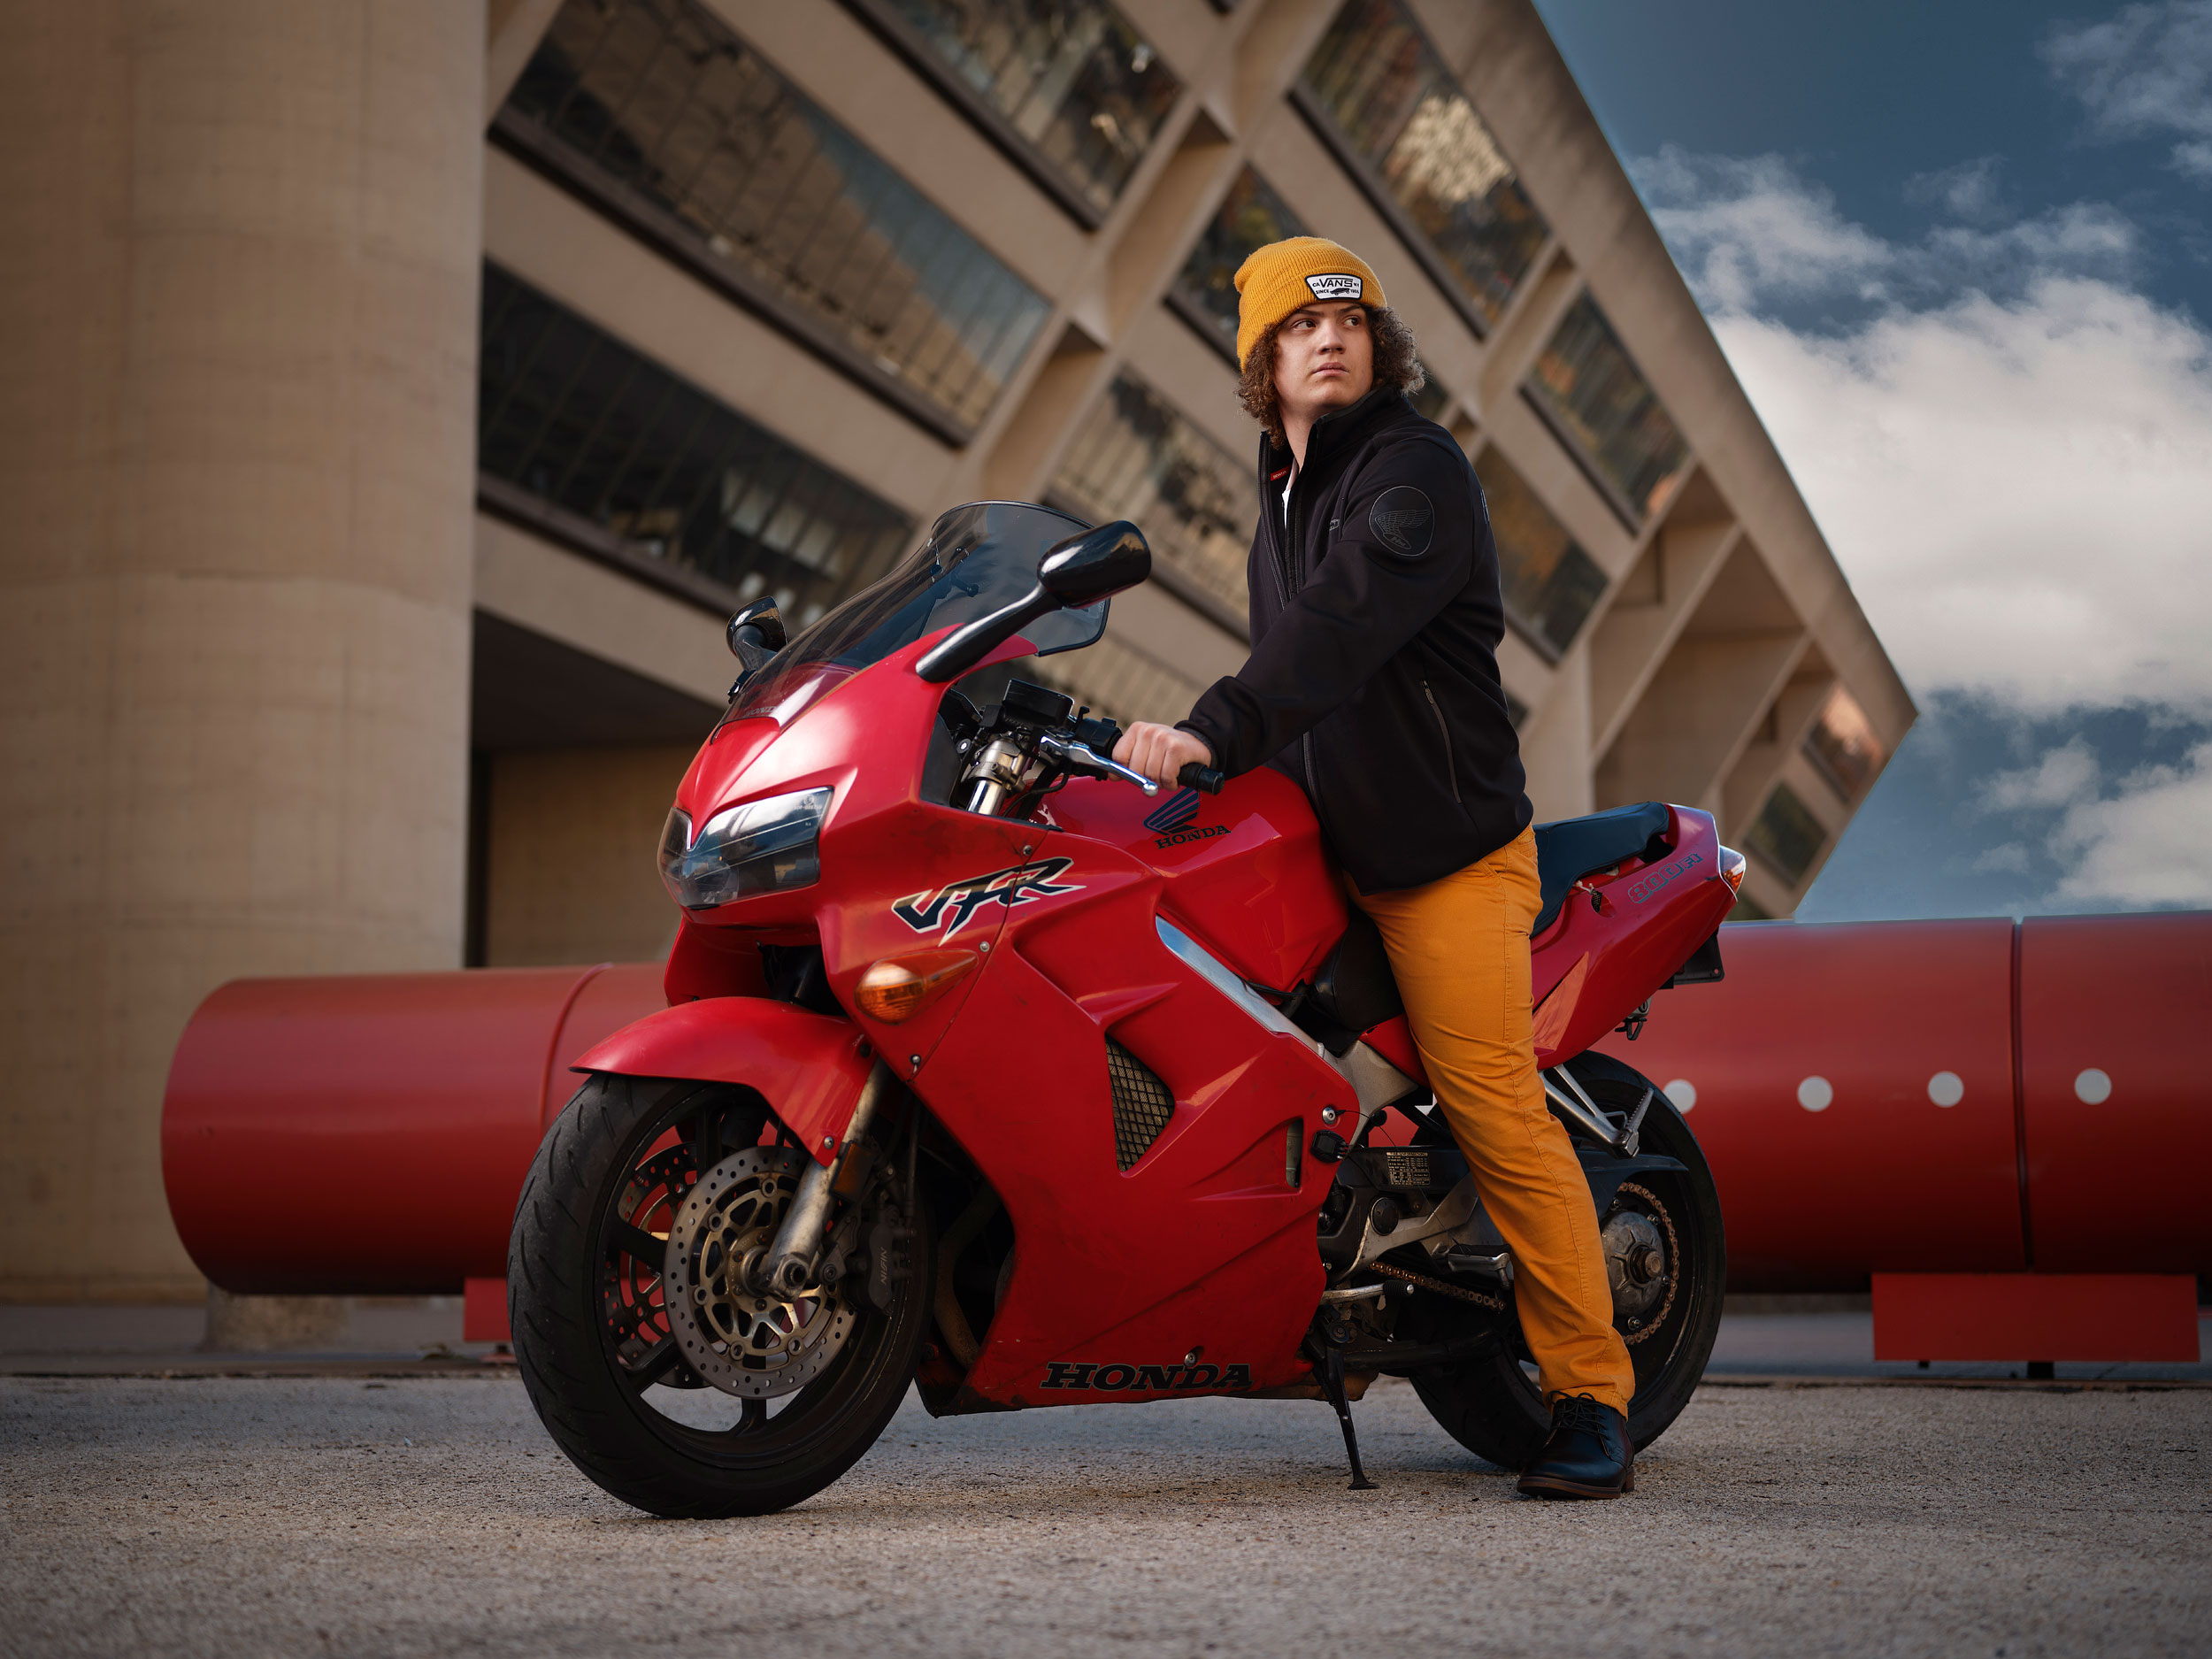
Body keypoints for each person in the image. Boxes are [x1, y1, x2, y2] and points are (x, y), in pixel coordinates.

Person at [1112, 236, 1635, 1500]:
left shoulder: (1413, 474)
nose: (1328, 340)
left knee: (1492, 1104)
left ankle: (1590, 1397)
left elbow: (1335, 637)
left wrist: (1214, 728)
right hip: (1330, 850)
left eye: (1347, 323)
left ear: (1377, 344)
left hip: (1444, 860)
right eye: (1298, 329)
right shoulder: (1284, 501)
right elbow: (1302, 691)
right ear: (1263, 362)